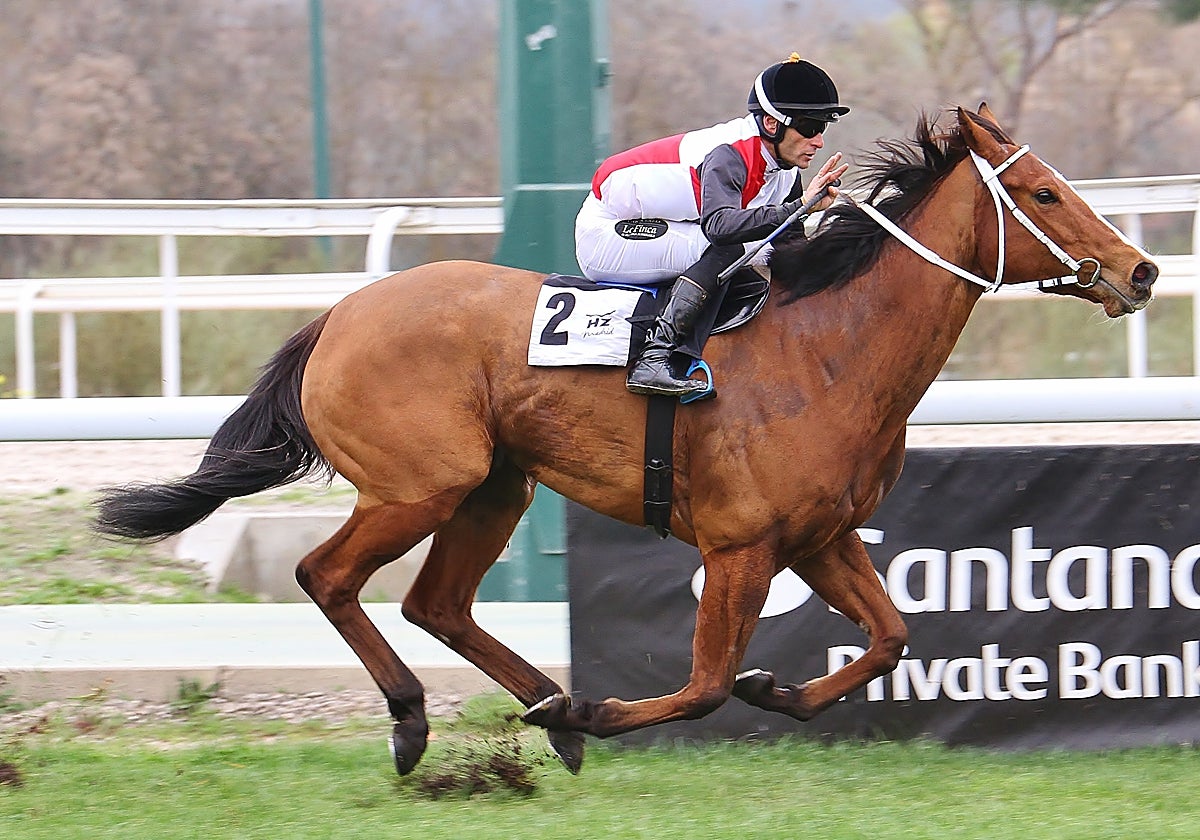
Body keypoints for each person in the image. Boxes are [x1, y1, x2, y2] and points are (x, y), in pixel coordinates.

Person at [575, 53, 851, 399]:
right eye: (809, 128)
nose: (819, 141)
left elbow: (789, 246)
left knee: (762, 252)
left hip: (659, 220)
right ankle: (654, 357)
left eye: (822, 128)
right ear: (771, 124)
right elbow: (720, 228)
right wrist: (797, 207)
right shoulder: (729, 155)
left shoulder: (785, 170)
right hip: (607, 233)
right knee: (730, 249)